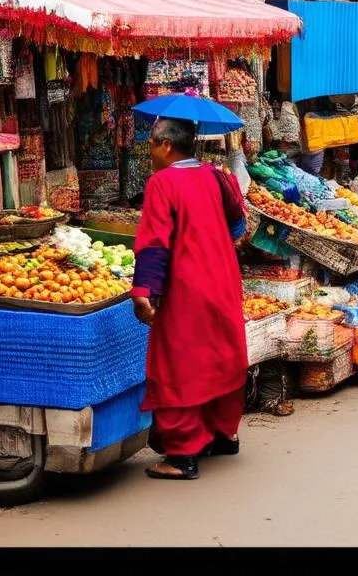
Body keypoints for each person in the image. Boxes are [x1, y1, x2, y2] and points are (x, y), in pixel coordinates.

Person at [132, 118, 249, 481]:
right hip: (223, 278)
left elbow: (154, 241)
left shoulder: (162, 183)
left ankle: (182, 455)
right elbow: (238, 225)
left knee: (178, 362)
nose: (149, 150)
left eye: (151, 142)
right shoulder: (216, 176)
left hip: (186, 284)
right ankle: (221, 434)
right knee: (218, 354)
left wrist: (143, 292)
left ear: (167, 145)